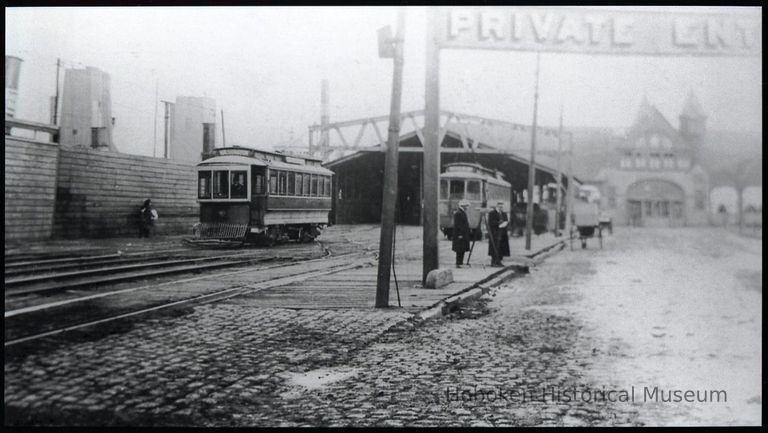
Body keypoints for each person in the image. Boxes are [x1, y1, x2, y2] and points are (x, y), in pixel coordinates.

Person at [487, 201, 511, 267]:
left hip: (502, 233)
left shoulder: (504, 214)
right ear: (497, 206)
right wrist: (498, 223)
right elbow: (490, 223)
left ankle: (499, 261)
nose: (501, 208)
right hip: (495, 233)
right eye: (500, 207)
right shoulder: (492, 213)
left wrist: (506, 225)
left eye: (502, 207)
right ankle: (493, 261)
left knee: (501, 248)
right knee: (494, 247)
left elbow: (506, 221)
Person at [452, 200, 471, 268]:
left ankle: (460, 262)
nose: (467, 207)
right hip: (460, 235)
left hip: (463, 234)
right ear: (464, 206)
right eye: (467, 206)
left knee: (462, 249)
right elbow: (458, 225)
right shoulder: (459, 213)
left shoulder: (461, 212)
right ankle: (458, 263)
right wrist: (460, 234)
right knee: (459, 249)